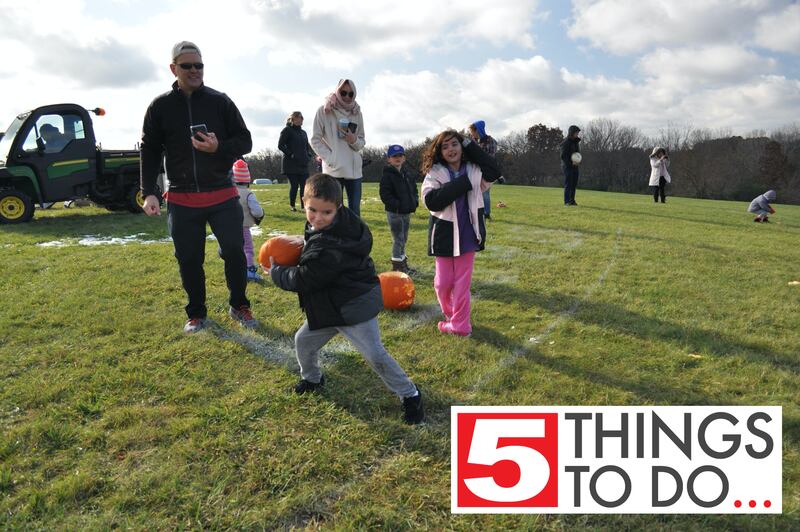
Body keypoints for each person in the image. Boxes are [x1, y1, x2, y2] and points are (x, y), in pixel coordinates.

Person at [268, 173, 424, 424]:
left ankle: (411, 395)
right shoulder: (329, 226)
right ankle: (312, 378)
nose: (318, 218)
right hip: (330, 306)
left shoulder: (333, 246)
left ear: (338, 208)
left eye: (326, 213)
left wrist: (277, 272)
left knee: (375, 355)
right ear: (304, 202)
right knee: (303, 341)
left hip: (354, 308)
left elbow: (305, 279)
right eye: (312, 210)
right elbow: (314, 244)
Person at [140, 40, 257, 333]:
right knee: (189, 259)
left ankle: (239, 304)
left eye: (199, 65)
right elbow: (150, 150)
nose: (194, 70)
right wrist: (149, 191)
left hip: (221, 193)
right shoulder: (160, 106)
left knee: (233, 251)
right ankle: (196, 313)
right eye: (187, 66)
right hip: (182, 197)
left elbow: (245, 141)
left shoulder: (220, 101)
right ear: (173, 69)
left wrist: (219, 147)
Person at [421, 130, 502, 337]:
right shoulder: (435, 172)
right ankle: (452, 316)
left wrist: (470, 144)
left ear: (462, 147)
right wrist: (462, 184)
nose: (451, 149)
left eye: (455, 144)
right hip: (444, 236)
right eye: (445, 146)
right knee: (443, 283)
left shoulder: (475, 170)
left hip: (469, 235)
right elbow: (432, 201)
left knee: (462, 283)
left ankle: (460, 325)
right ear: (439, 152)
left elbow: (494, 169)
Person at [311, 79, 366, 216]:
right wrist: (331, 159)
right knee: (334, 211)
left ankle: (353, 238)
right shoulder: (324, 111)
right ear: (337, 91)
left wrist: (353, 140)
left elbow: (362, 141)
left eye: (351, 94)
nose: (347, 97)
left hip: (354, 172)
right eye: (343, 93)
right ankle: (335, 238)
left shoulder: (357, 112)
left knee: (355, 212)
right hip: (334, 171)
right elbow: (315, 140)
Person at [379, 144, 419, 275]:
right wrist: (396, 205)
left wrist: (414, 202)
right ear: (389, 159)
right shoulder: (387, 175)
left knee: (404, 238)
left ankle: (403, 264)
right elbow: (385, 195)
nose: (397, 158)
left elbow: (413, 190)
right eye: (394, 156)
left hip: (406, 212)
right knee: (399, 239)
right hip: (395, 213)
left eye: (400, 155)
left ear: (404, 158)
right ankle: (397, 267)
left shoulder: (406, 174)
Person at [231, 159, 265, 281]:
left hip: (229, 227)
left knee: (234, 249)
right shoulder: (249, 194)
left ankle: (235, 269)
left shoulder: (230, 192)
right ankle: (249, 270)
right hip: (244, 227)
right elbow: (257, 211)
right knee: (248, 248)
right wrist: (260, 214)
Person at [278, 111, 313, 212]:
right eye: (300, 117)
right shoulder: (287, 130)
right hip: (291, 164)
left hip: (303, 163)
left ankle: (304, 206)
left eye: (302, 117)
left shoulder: (303, 133)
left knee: (304, 186)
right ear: (293, 119)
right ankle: (292, 206)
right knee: (294, 186)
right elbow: (280, 145)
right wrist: (291, 154)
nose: (302, 119)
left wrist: (309, 155)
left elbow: (307, 146)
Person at [468, 121, 498, 220]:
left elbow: (490, 158)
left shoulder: (491, 141)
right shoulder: (472, 141)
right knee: (472, 192)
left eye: (473, 131)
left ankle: (486, 214)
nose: (472, 134)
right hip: (473, 170)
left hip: (486, 172)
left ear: (478, 130)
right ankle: (474, 212)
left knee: (485, 193)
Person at [560, 125, 581, 206]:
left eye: (578, 133)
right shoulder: (565, 143)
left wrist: (578, 161)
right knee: (568, 184)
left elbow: (577, 154)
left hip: (575, 166)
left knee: (574, 184)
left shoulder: (576, 143)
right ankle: (567, 201)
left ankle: (572, 200)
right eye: (576, 133)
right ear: (571, 133)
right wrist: (570, 163)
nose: (577, 134)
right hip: (567, 167)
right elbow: (563, 156)